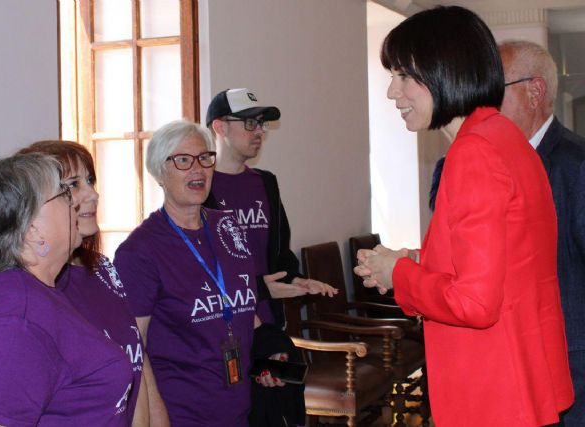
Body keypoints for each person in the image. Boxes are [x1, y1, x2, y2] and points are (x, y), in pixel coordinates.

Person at [354, 6, 573, 426]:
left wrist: (399, 273)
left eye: (403, 76)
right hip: (520, 376)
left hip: (491, 387)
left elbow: (474, 303)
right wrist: (418, 261)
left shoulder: (474, 152)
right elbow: (507, 258)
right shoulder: (503, 136)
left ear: (445, 69)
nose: (392, 93)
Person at [0, 154, 134, 426]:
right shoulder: (18, 316)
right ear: (32, 230)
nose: (77, 200)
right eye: (64, 193)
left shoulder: (19, 293)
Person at [114, 120, 279, 426]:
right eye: (183, 160)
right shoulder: (139, 251)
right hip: (182, 410)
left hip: (240, 402)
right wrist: (153, 417)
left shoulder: (228, 227)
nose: (198, 168)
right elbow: (135, 347)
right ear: (158, 172)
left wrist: (271, 354)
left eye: (205, 157)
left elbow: (242, 307)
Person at [204, 88, 337, 426]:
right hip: (226, 335)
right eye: (250, 123)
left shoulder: (266, 183)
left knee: (279, 413)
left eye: (261, 123)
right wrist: (260, 289)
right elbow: (200, 271)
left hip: (269, 330)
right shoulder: (200, 187)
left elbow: (279, 253)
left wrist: (295, 279)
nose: (260, 131)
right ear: (219, 127)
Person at [17, 140, 160, 426]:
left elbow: (138, 364)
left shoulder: (104, 268)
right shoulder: (28, 291)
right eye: (73, 185)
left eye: (90, 180)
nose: (93, 194)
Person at [499, 40, 585, 427]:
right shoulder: (497, 162)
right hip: (517, 354)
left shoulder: (576, 164)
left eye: (493, 88)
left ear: (534, 91)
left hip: (573, 360)